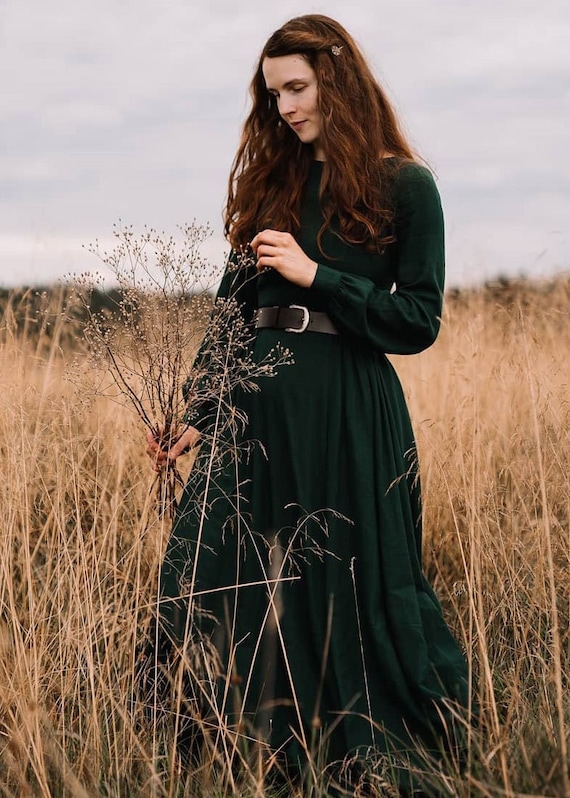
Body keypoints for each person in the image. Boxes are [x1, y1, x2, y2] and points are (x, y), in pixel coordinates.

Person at [146, 13, 469, 795]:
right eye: (274, 94)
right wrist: (199, 406)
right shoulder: (273, 184)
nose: (287, 107)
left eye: (298, 87)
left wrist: (317, 275)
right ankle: (232, 742)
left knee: (345, 574)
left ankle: (356, 746)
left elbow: (417, 320)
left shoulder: (404, 184)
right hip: (256, 405)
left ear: (338, 77)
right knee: (210, 563)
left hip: (346, 407)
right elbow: (231, 310)